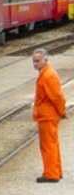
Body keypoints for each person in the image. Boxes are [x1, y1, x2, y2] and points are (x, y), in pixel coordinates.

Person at [32, 48, 67, 183]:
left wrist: (62, 111)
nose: (35, 64)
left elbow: (56, 97)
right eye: (34, 61)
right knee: (52, 144)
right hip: (47, 114)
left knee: (48, 145)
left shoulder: (48, 76)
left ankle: (51, 174)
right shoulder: (46, 73)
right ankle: (56, 171)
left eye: (37, 61)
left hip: (47, 115)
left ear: (45, 60)